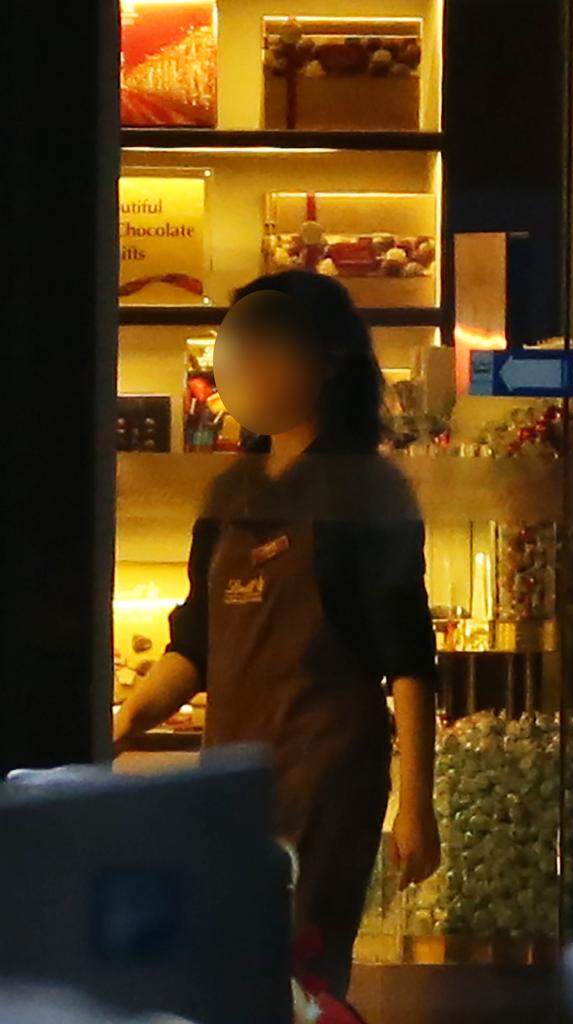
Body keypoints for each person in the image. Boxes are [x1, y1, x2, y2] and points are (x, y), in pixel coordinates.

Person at [114, 270, 440, 1001]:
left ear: (327, 361)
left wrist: (417, 803)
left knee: (299, 977)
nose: (251, 367)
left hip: (325, 780)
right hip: (232, 785)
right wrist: (125, 720)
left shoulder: (365, 490)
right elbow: (193, 646)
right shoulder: (230, 491)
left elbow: (408, 656)